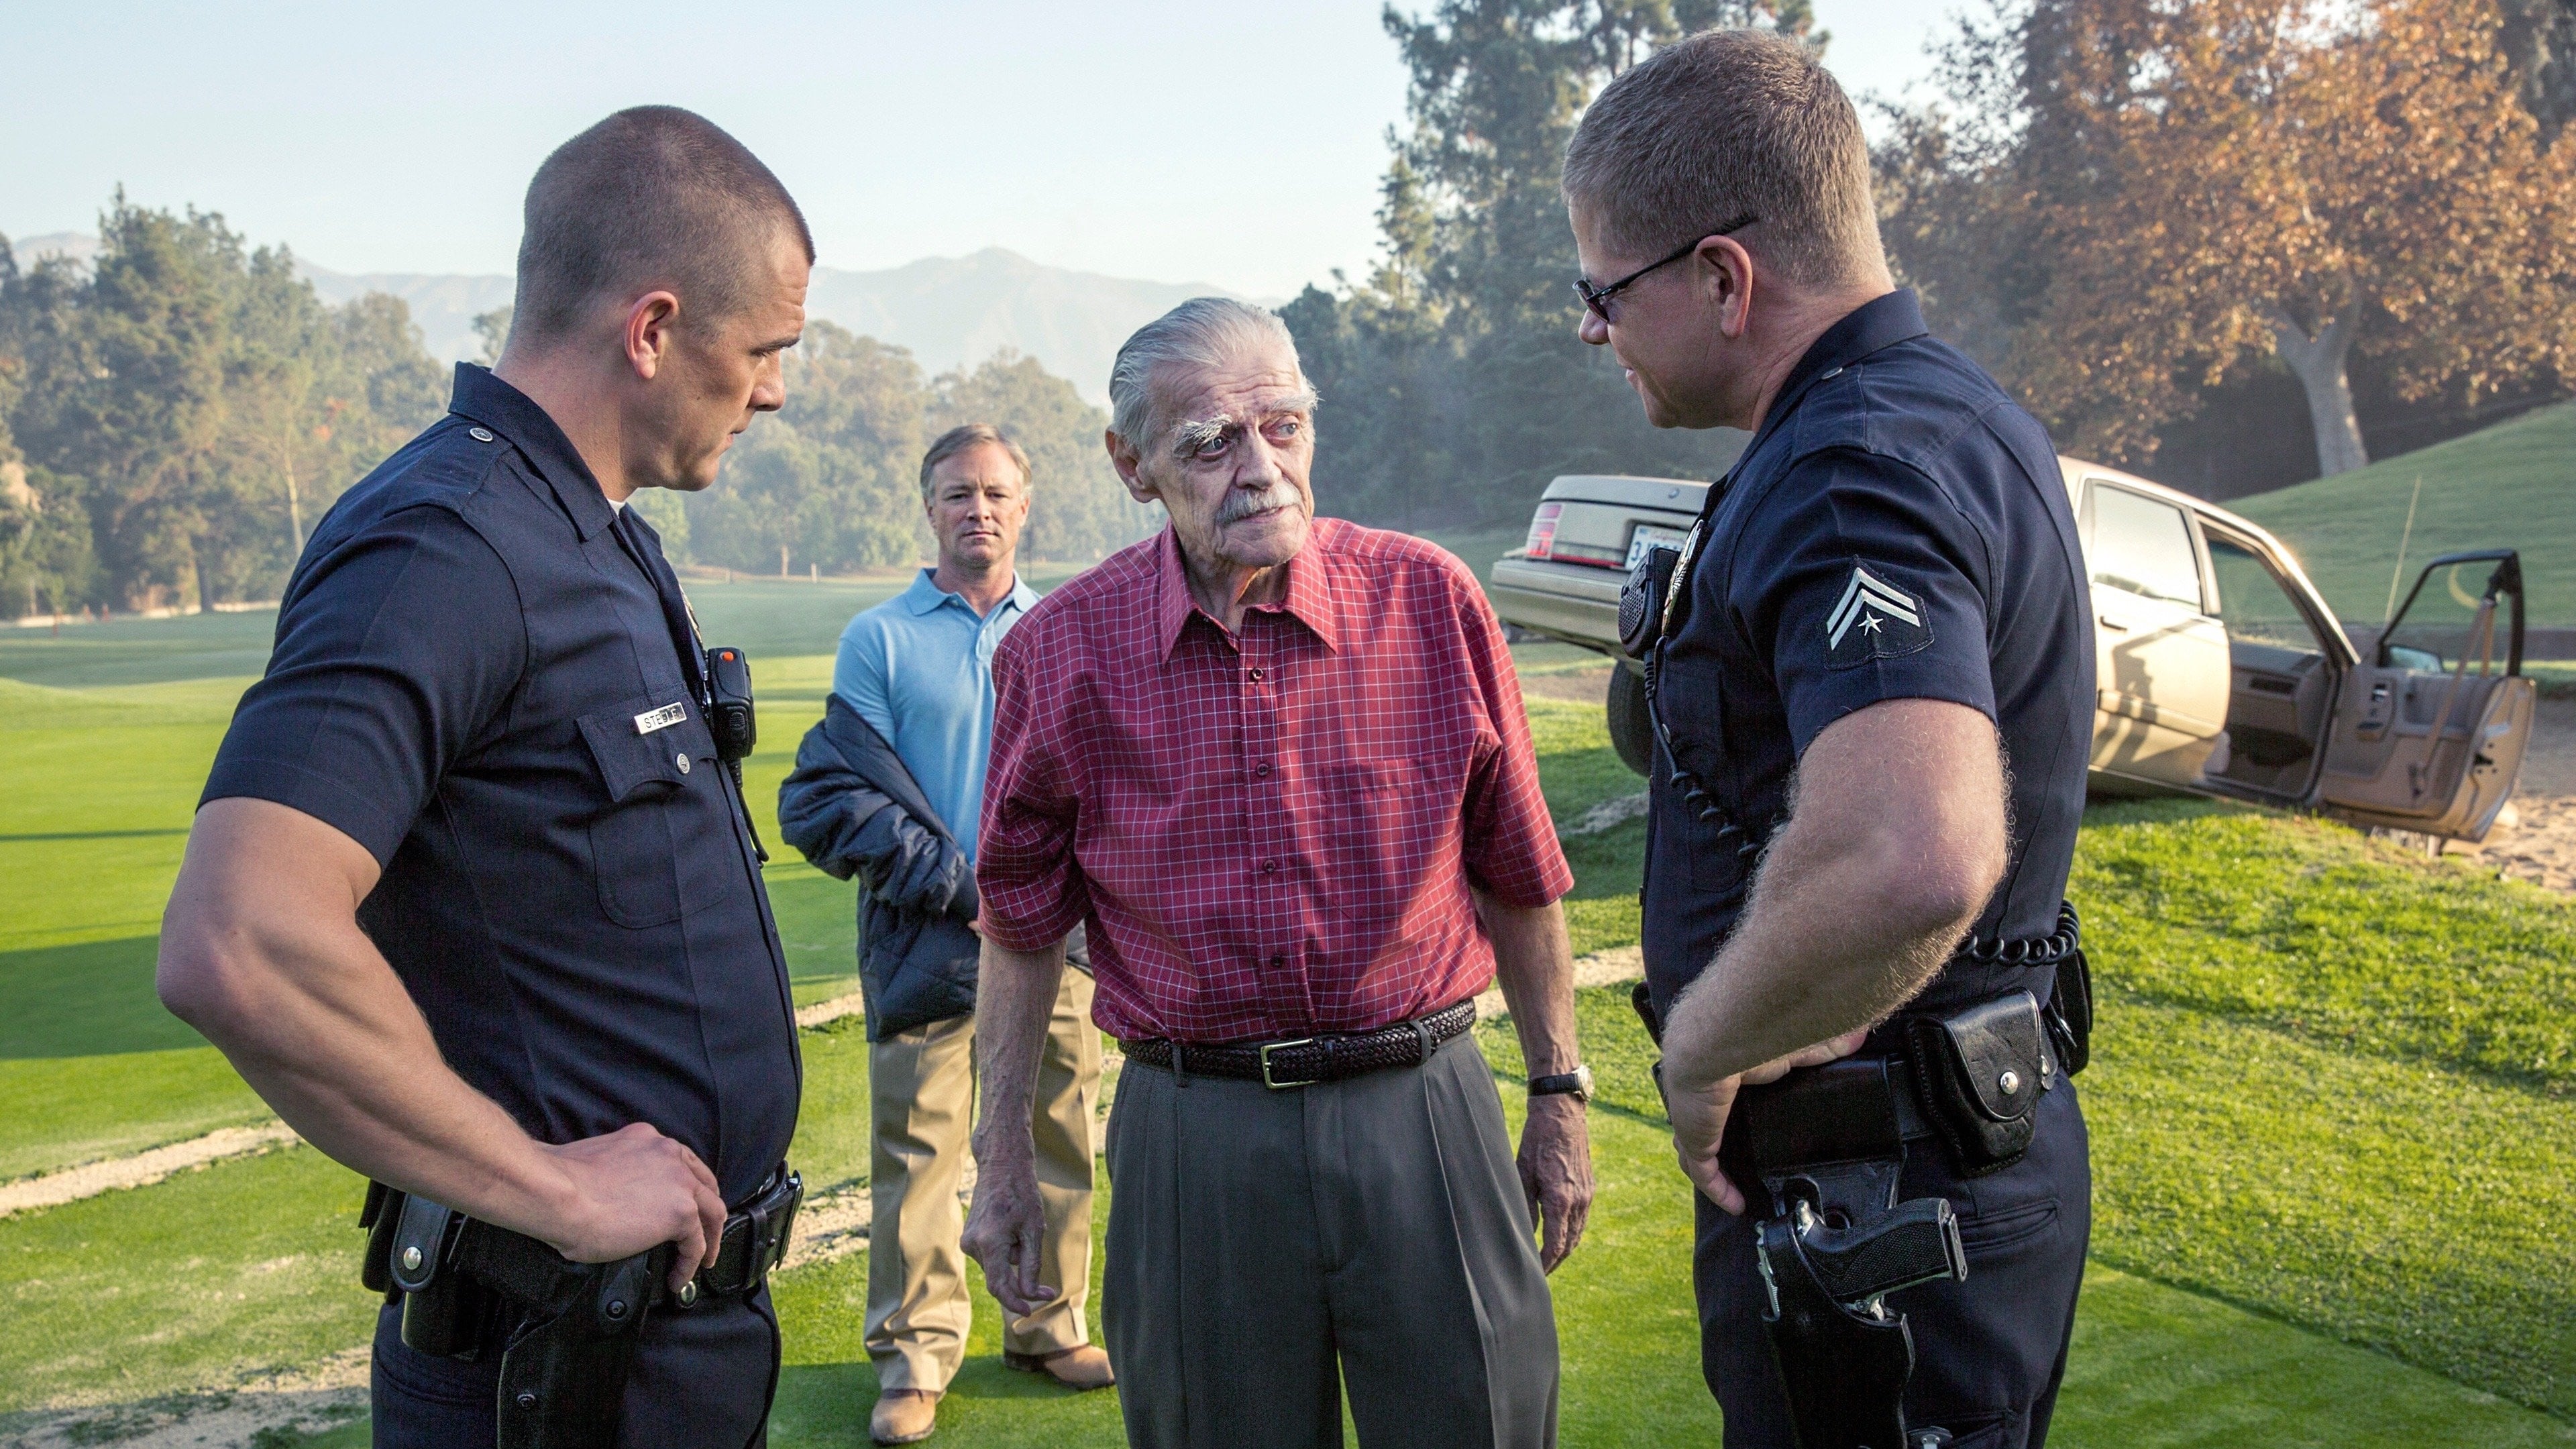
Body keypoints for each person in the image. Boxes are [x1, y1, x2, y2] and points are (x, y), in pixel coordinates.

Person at [156, 107, 814, 1449]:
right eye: (764, 352)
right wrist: (553, 1193)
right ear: (652, 329)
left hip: (662, 1349)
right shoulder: (445, 548)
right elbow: (241, 940)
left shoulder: (594, 537)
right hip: (551, 1354)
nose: (773, 393)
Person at [1560, 30, 2098, 1449]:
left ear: (1723, 279)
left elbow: (1909, 854)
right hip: (1932, 1160)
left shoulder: (1849, 468)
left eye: (1603, 292)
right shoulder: (1954, 415)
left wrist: (1701, 1052)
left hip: (1877, 1197)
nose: (1593, 330)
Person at [955, 298, 1595, 1449]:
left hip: (1425, 1110)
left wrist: (1558, 1092)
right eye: (1211, 443)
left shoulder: (1429, 600)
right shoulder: (1060, 652)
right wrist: (1000, 1159)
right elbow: (1020, 927)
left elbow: (1519, 874)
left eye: (1284, 426)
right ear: (1132, 466)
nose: (1261, 469)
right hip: (1193, 1136)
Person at [777, 424, 1113, 1446]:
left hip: (1050, 943)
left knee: (1061, 1133)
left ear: (1026, 506)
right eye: (959, 493)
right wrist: (963, 892)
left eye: (997, 493)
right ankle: (915, 1357)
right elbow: (851, 798)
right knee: (919, 1153)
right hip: (929, 939)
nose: (980, 510)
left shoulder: (1062, 627)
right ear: (929, 508)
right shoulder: (877, 640)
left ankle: (1048, 1325)